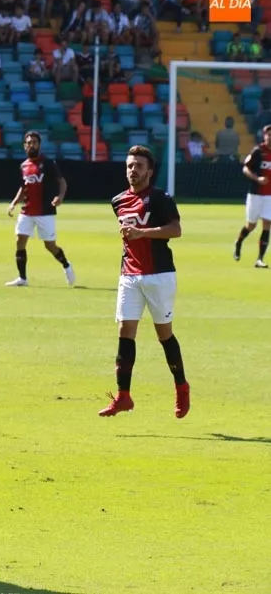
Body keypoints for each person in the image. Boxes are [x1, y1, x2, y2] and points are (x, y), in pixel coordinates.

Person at [100, 145, 190, 419]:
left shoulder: (160, 198)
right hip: (129, 275)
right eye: (130, 165)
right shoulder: (118, 201)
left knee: (164, 334)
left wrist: (142, 232)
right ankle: (123, 396)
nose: (133, 170)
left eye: (139, 166)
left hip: (159, 275)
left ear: (149, 171)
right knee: (125, 331)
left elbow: (176, 230)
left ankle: (181, 387)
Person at [5, 131, 75, 287]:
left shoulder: (48, 163)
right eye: (29, 143)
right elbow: (23, 187)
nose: (32, 145)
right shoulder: (24, 166)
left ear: (39, 145)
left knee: (50, 246)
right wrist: (14, 203)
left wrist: (60, 197)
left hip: (45, 211)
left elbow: (62, 182)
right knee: (20, 240)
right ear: (24, 146)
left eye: (34, 142)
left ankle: (66, 265)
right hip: (27, 211)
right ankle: (22, 278)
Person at [233, 124, 271, 268]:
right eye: (269, 135)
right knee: (251, 225)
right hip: (256, 194)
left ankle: (260, 259)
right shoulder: (258, 151)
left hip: (269, 195)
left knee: (267, 224)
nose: (270, 138)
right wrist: (257, 178)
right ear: (264, 136)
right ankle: (239, 242)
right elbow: (246, 168)